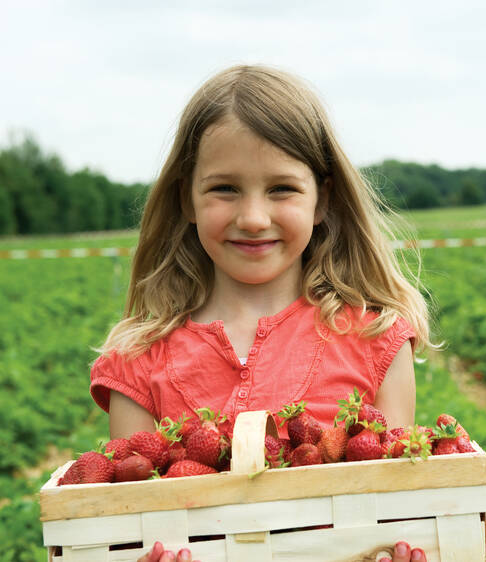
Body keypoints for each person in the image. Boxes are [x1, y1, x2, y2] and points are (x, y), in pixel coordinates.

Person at [89, 65, 434, 562]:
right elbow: (134, 523)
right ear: (187, 197)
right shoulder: (137, 361)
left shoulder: (375, 339)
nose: (253, 218)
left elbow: (398, 510)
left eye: (282, 189)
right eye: (224, 188)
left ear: (323, 199)